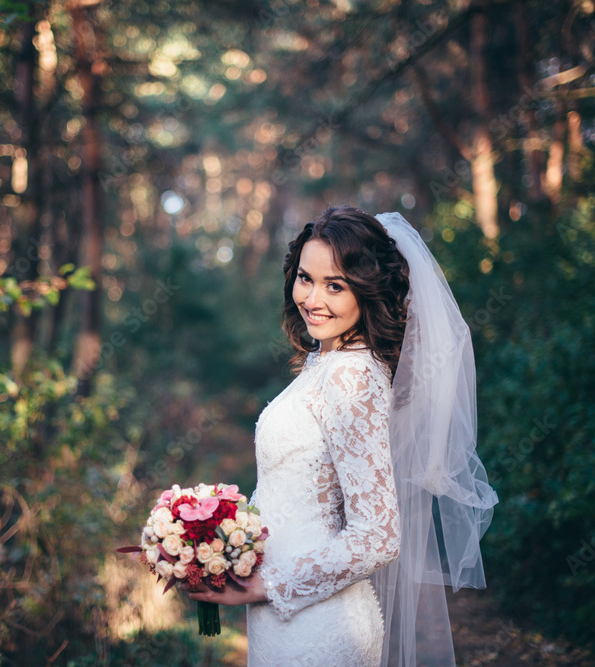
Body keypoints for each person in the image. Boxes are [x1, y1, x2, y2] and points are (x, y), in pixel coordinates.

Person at [186, 206, 498, 666]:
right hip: (287, 618)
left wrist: (268, 585)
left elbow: (378, 536)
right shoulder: (326, 363)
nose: (312, 298)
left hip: (316, 627)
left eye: (335, 285)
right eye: (305, 278)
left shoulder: (351, 376)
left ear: (367, 292)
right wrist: (217, 538)